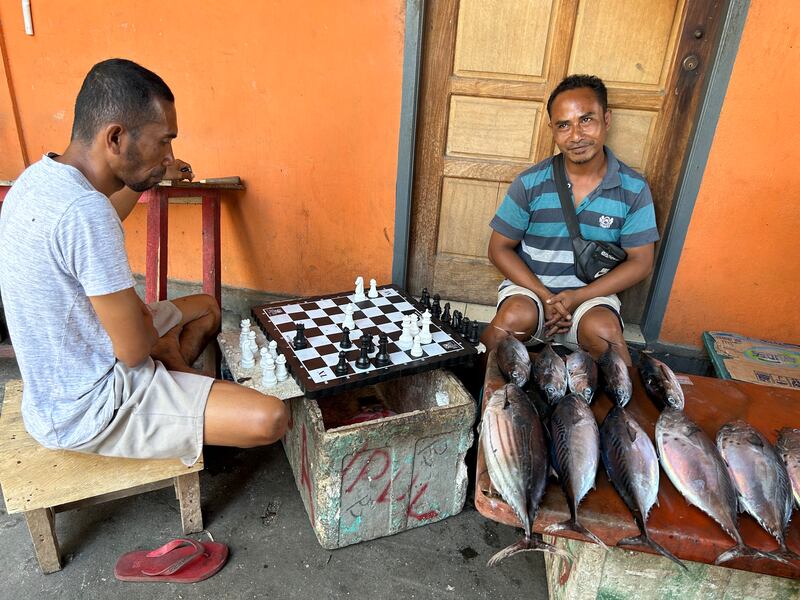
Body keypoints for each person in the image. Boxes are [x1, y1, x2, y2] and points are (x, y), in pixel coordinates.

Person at [0, 59, 288, 466]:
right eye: (162, 142)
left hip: (57, 383)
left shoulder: (38, 179)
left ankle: (177, 383)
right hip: (89, 406)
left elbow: (104, 216)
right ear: (115, 137)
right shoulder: (85, 211)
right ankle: (177, 390)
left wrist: (154, 173)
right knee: (269, 417)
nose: (168, 154)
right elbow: (134, 351)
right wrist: (152, 338)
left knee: (206, 307)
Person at [480, 75, 659, 366]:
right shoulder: (530, 183)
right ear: (552, 129)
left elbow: (641, 261)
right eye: (564, 125)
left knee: (605, 333)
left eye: (586, 120)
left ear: (606, 119)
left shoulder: (633, 188)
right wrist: (546, 297)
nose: (575, 135)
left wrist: (576, 298)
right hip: (532, 290)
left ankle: (626, 408)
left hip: (591, 298)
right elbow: (498, 248)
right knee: (512, 318)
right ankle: (470, 396)